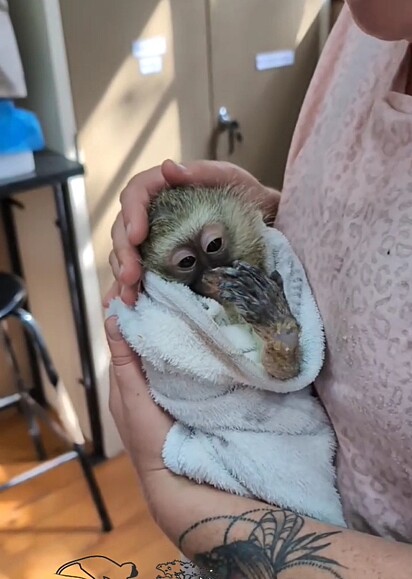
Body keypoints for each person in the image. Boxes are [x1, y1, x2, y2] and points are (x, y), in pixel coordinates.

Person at [104, 1, 412, 576]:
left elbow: (284, 350)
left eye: (213, 250)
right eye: (188, 264)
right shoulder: (360, 30)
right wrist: (289, 215)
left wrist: (179, 499)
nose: (207, 274)